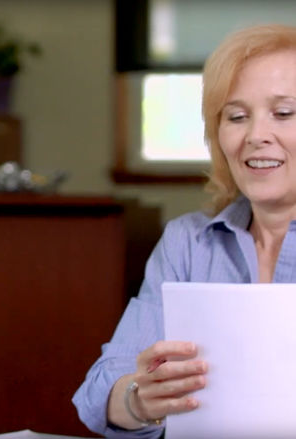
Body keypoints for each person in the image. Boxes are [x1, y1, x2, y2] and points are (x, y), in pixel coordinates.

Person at [73, 23, 296, 438]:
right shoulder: (187, 243)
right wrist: (139, 401)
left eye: (284, 113)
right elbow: (100, 391)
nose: (255, 136)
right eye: (236, 116)